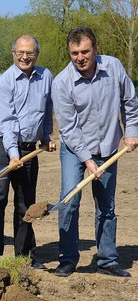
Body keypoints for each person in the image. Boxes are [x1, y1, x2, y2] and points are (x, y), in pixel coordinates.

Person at [52, 26, 138, 277]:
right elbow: (69, 128)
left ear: (96, 49)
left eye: (85, 51)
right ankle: (68, 259)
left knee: (106, 205)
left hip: (109, 148)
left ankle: (107, 260)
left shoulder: (113, 68)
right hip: (74, 150)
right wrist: (88, 161)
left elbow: (130, 102)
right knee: (69, 201)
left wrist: (131, 131)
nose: (80, 57)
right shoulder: (62, 83)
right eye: (74, 53)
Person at [0, 35, 55, 269]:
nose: (25, 57)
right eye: (20, 53)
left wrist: (46, 137)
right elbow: (7, 121)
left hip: (28, 148)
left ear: (37, 54)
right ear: (13, 54)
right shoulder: (5, 81)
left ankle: (24, 256)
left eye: (30, 53)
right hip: (1, 144)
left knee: (26, 203)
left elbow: (46, 110)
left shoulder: (46, 77)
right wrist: (13, 154)